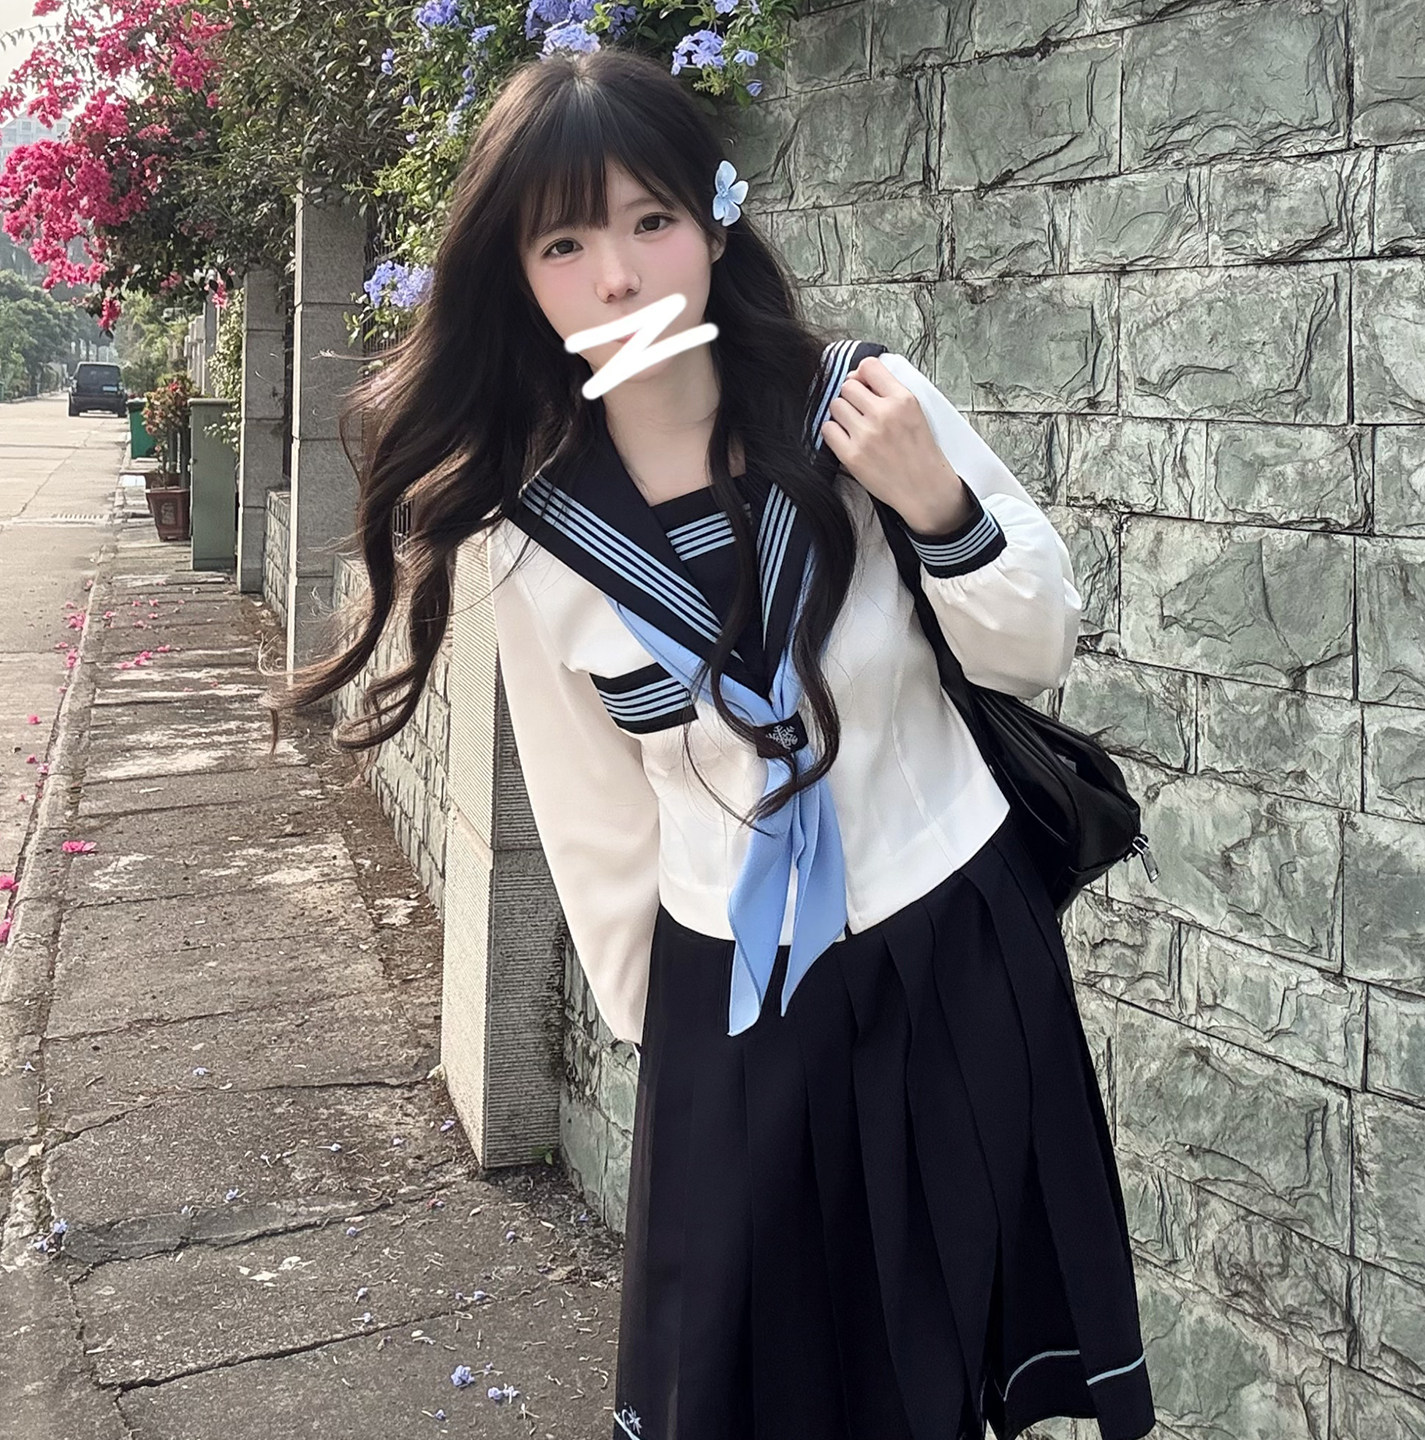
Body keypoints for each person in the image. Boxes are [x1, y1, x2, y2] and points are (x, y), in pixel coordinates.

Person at [268, 45, 1157, 1440]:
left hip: (952, 939)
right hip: (732, 996)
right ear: (520, 277)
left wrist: (938, 508)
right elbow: (595, 819)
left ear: (717, 222)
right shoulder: (533, 533)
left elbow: (1034, 645)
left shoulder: (860, 406)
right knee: (757, 1376)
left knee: (956, 1349)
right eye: (566, 244)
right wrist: (671, 1047)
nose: (620, 277)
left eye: (651, 221)